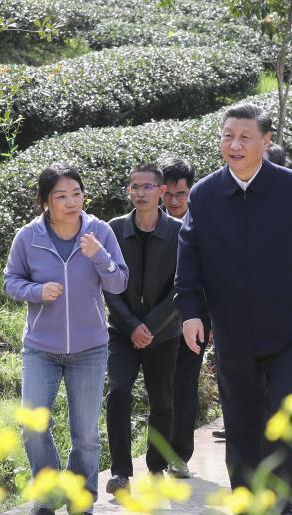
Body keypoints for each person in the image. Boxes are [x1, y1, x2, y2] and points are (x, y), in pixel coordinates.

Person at [175, 102, 292, 515]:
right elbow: (188, 260)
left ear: (266, 142)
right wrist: (191, 313)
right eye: (228, 135)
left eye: (245, 137)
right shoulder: (205, 195)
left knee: (283, 416)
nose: (235, 144)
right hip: (232, 332)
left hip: (290, 331)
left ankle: (284, 502)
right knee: (240, 422)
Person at [4, 163, 128, 515]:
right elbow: (10, 281)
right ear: (45, 201)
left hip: (90, 348)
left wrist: (99, 256)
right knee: (33, 425)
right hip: (41, 347)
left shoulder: (99, 232)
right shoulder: (28, 237)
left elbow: (119, 283)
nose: (71, 202)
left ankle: (81, 505)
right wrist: (37, 291)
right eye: (61, 196)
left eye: (76, 193)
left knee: (86, 434)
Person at [104, 164, 183, 495]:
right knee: (118, 392)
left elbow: (182, 285)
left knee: (162, 400)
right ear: (128, 191)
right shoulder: (114, 229)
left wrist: (149, 326)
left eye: (148, 187)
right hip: (122, 331)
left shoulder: (179, 231)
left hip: (163, 333)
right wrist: (132, 325)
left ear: (162, 191)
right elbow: (108, 282)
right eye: (134, 187)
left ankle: (157, 466)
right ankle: (120, 472)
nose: (140, 193)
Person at [156, 157, 216, 476]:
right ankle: (156, 453)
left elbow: (217, 276)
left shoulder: (207, 221)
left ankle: (179, 454)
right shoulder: (149, 221)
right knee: (159, 386)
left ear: (191, 190)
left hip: (195, 317)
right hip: (155, 321)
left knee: (184, 384)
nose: (175, 201)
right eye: (168, 194)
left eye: (181, 194)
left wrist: (213, 321)